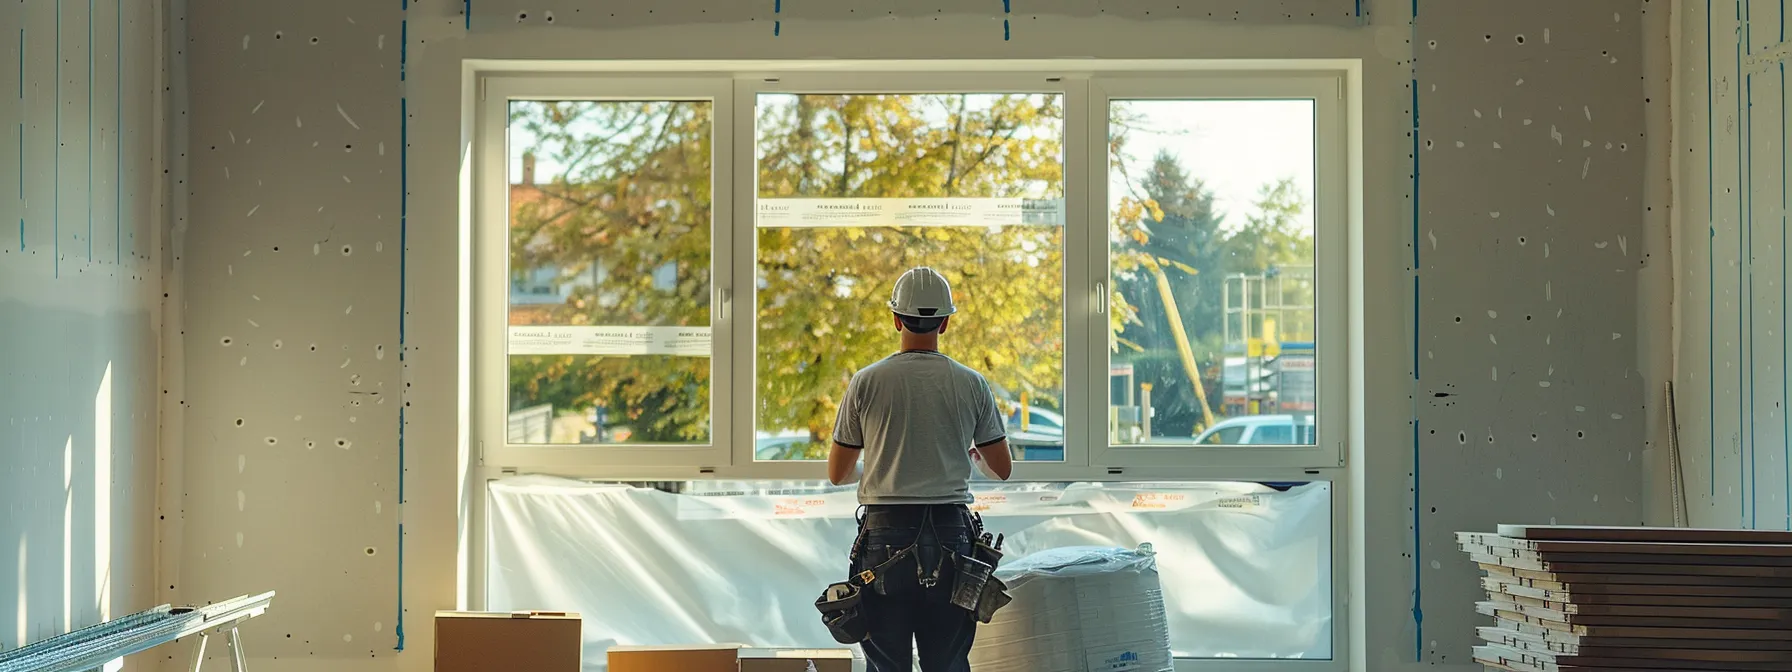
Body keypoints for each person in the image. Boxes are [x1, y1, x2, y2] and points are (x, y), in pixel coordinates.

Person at [827, 267, 1014, 672]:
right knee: (946, 664)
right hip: (953, 539)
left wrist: (882, 457)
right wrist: (971, 454)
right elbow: (1002, 469)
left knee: (888, 665)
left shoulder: (866, 382)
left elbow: (838, 473)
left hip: (883, 541)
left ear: (896, 319)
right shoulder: (972, 383)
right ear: (944, 323)